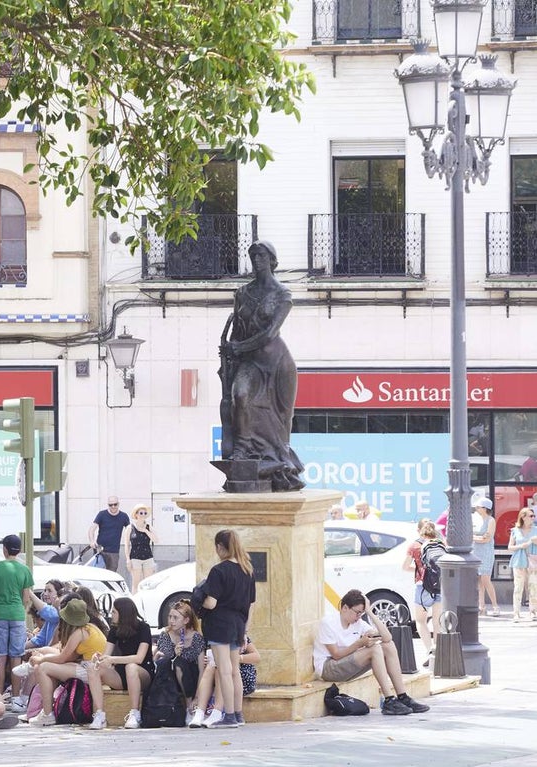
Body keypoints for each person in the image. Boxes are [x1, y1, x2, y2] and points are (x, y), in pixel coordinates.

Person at [218, 240, 304, 491]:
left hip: (277, 362)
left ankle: (279, 463)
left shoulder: (282, 295)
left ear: (272, 261)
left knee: (281, 419)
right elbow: (236, 330)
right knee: (240, 396)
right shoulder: (242, 293)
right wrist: (229, 359)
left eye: (262, 256)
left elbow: (269, 333)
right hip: (249, 361)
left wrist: (239, 348)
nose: (256, 260)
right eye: (253, 255)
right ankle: (242, 450)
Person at [313, 590, 429, 715]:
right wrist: (359, 643)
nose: (359, 617)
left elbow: (387, 637)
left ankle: (403, 697)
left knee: (388, 646)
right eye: (357, 613)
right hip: (328, 668)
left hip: (346, 664)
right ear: (345, 608)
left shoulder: (358, 623)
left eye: (361, 613)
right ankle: (389, 700)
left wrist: (369, 612)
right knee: (375, 649)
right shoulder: (329, 623)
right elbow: (336, 655)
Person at [199, 529, 255, 729]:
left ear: (220, 547)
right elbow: (251, 604)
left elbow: (211, 603)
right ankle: (238, 713)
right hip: (238, 624)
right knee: (235, 671)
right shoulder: (247, 569)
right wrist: (245, 631)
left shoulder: (218, 570)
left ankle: (229, 715)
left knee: (224, 670)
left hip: (220, 624)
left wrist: (199, 599)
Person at [27, 597, 107, 729]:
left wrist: (40, 659)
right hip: (89, 667)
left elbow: (62, 658)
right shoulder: (91, 627)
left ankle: (47, 714)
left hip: (88, 670)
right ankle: (47, 710)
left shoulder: (79, 633)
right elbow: (69, 656)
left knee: (42, 668)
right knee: (49, 667)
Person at [90, 596, 153, 729]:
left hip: (142, 673)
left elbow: (139, 658)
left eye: (114, 612)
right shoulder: (114, 629)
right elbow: (106, 655)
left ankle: (135, 713)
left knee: (131, 667)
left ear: (123, 613)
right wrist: (99, 658)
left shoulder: (143, 628)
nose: (111, 615)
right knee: (93, 668)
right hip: (121, 674)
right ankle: (100, 714)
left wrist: (113, 660)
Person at [0, 534, 33, 702]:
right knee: (16, 657)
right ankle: (16, 697)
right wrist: (21, 610)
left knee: (1, 656)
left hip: (0, 615)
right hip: (18, 615)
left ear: (4, 549)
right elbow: (26, 598)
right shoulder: (25, 569)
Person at [191, 636, 261, 728]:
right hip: (219, 677)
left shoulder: (236, 634)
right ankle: (200, 712)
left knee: (220, 667)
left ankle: (217, 711)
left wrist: (237, 658)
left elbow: (257, 657)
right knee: (212, 666)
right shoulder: (212, 637)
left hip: (241, 675)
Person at [403, 519, 444, 666]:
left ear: (418, 530)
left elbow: (405, 566)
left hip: (423, 586)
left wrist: (418, 570)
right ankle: (439, 651)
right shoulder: (441, 543)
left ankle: (429, 651)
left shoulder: (414, 546)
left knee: (420, 620)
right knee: (437, 621)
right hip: (440, 585)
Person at [154, 600, 206, 713]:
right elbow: (162, 663)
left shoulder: (196, 638)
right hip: (170, 680)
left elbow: (202, 670)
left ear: (186, 620)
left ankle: (190, 706)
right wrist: (174, 653)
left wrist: (197, 697)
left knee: (181, 664)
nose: (171, 621)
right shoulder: (165, 636)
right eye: (170, 617)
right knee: (177, 663)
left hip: (192, 680)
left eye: (175, 618)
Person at [471, 498, 500, 617]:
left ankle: (495, 606)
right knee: (479, 580)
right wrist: (478, 538)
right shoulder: (476, 519)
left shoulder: (490, 520)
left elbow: (487, 538)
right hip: (475, 551)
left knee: (485, 579)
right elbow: (481, 537)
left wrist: (472, 537)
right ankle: (481, 606)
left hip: (486, 552)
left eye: (478, 507)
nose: (476, 509)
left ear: (485, 508)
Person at [507, 509, 537, 622]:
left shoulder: (536, 530)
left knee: (533, 587)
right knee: (518, 587)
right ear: (523, 517)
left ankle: (533, 611)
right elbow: (510, 547)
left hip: (533, 561)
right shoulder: (515, 530)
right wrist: (521, 546)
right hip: (519, 561)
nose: (533, 518)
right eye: (531, 516)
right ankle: (516, 613)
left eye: (533, 516)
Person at [88, 496, 129, 572]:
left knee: (111, 575)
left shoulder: (124, 516)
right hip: (100, 550)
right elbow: (91, 529)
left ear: (118, 504)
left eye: (115, 504)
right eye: (110, 505)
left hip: (114, 552)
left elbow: (129, 531)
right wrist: (92, 541)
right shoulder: (102, 514)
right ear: (108, 505)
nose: (113, 506)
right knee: (97, 573)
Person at [122, 504, 157, 590]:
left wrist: (145, 530)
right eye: (141, 513)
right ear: (136, 514)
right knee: (136, 583)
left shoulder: (149, 527)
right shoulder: (130, 528)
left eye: (145, 513)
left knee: (148, 583)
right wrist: (128, 559)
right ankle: (135, 601)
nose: (143, 515)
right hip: (135, 557)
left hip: (148, 557)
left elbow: (156, 540)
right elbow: (127, 545)